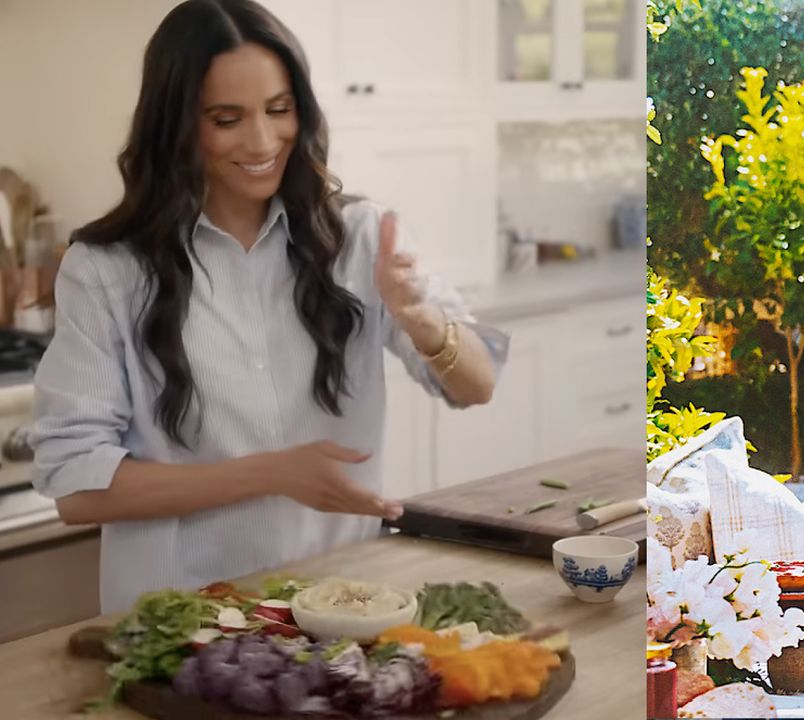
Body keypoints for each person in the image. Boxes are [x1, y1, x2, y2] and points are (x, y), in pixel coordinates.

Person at [30, 0, 507, 614]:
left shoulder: (360, 235)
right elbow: (77, 488)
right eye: (226, 119)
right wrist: (271, 474)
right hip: (180, 622)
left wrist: (420, 319)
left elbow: (477, 385)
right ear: (175, 125)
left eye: (279, 111)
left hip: (343, 605)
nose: (262, 141)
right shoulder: (107, 270)